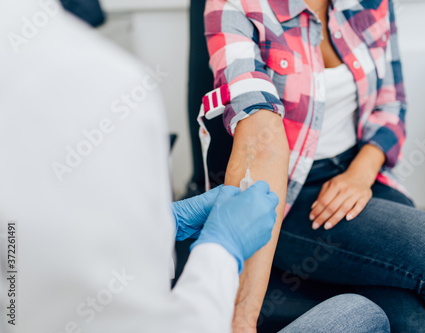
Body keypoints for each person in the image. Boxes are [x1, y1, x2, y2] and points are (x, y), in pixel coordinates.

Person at [0, 1, 390, 332]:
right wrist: (223, 254)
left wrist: (164, 226)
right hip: (260, 243)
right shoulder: (104, 88)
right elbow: (163, 321)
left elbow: (34, 251)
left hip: (352, 175)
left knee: (404, 309)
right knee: (368, 313)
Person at [203, 0, 425, 332]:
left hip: (360, 172)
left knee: (419, 315)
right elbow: (260, 136)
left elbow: (392, 103)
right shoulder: (236, 7)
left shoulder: (373, 4)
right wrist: (242, 317)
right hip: (284, 194)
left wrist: (361, 172)